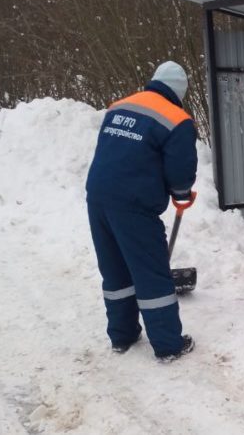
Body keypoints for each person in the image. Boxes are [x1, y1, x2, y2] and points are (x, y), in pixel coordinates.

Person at [86, 61, 197, 361]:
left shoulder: (119, 106)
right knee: (151, 273)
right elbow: (181, 169)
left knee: (115, 268)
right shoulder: (177, 118)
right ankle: (168, 344)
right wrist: (182, 194)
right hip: (133, 204)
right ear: (179, 92)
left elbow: (115, 152)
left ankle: (122, 336)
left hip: (97, 197)